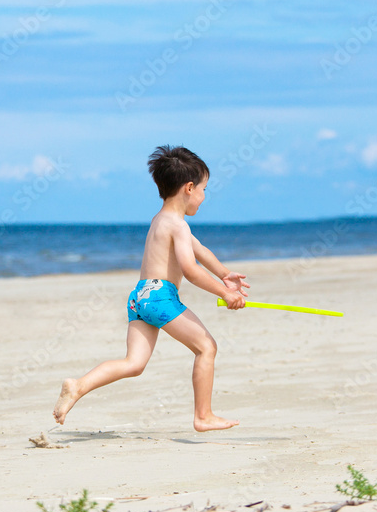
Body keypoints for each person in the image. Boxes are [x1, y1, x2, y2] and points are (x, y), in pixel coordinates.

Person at [53, 145, 249, 432]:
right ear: (189, 188)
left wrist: (225, 274)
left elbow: (200, 251)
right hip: (160, 297)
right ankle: (203, 416)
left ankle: (78, 386)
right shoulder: (178, 226)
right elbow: (191, 269)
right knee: (206, 347)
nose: (205, 197)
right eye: (205, 189)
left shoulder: (161, 220)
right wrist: (225, 293)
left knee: (134, 363)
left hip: (140, 297)